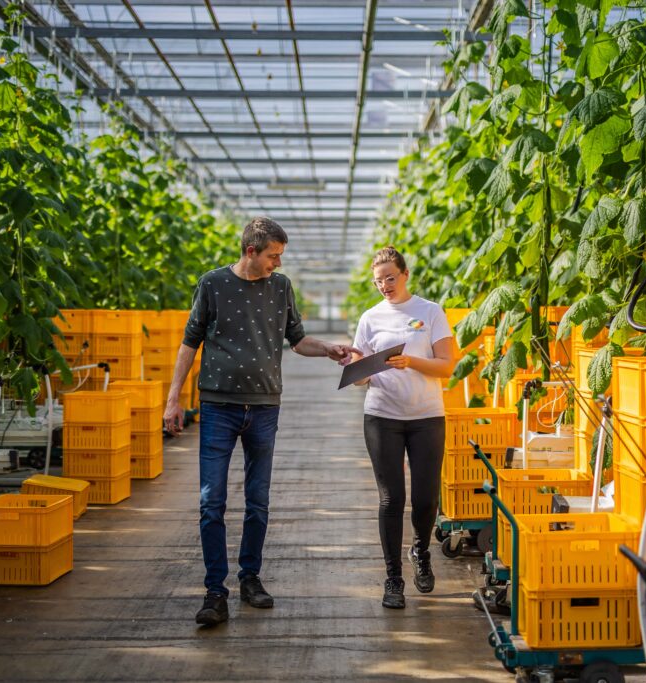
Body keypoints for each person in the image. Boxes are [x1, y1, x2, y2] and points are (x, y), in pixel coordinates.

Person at [163, 216, 356, 627]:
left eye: (280, 257)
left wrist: (329, 349)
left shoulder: (280, 287)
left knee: (259, 501)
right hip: (218, 407)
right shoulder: (212, 284)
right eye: (273, 256)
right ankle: (216, 591)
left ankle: (251, 577)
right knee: (211, 501)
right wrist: (172, 399)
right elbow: (189, 342)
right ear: (251, 251)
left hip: (265, 408)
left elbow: (297, 339)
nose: (277, 264)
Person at [349, 246, 456, 608]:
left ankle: (421, 551)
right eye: (378, 280)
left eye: (390, 278)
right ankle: (393, 578)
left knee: (426, 499)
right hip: (382, 416)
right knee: (391, 499)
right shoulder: (370, 318)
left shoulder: (430, 312)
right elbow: (360, 373)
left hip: (426, 416)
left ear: (405, 274)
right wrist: (356, 368)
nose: (384, 286)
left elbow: (446, 366)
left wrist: (410, 361)